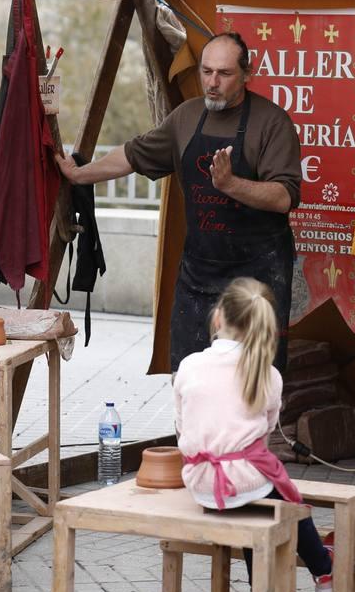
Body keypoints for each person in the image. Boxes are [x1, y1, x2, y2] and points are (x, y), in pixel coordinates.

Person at [57, 32, 301, 371]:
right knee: (188, 373)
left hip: (257, 278)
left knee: (252, 382)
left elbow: (283, 197)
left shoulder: (272, 123)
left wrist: (231, 184)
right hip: (200, 273)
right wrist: (80, 176)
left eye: (224, 74)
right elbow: (132, 155)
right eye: (206, 72)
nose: (212, 82)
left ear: (247, 75)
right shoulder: (186, 118)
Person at [175, 277, 333, 592]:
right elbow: (269, 427)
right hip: (247, 483)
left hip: (201, 483)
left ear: (218, 317)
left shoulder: (189, 366)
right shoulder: (268, 374)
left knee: (255, 508)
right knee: (291, 503)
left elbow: (181, 424)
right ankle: (323, 569)